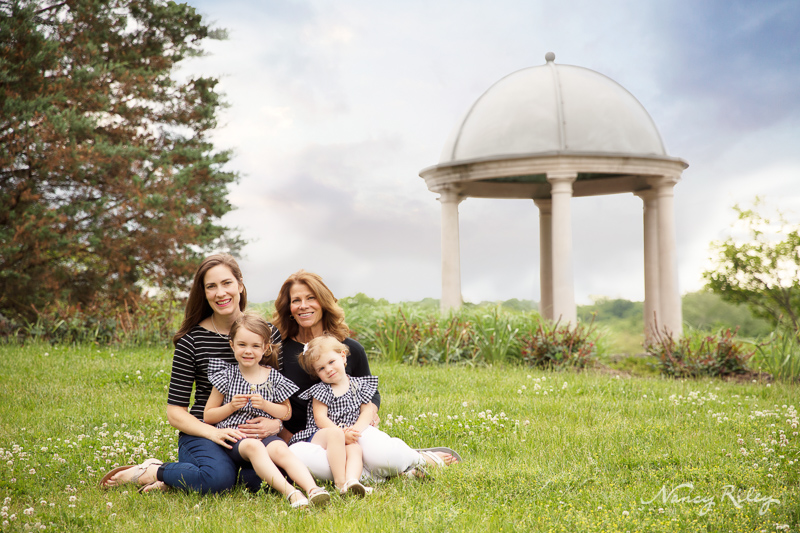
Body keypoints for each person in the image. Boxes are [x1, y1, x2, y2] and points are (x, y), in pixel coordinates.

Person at [100, 254, 281, 493]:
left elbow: (281, 393)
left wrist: (275, 423)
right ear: (204, 293)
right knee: (218, 481)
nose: (220, 293)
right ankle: (155, 470)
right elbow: (175, 412)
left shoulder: (268, 334)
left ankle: (184, 478)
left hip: (252, 436)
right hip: (204, 432)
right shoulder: (192, 340)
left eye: (227, 283)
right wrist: (214, 433)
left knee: (261, 484)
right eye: (211, 287)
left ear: (240, 284)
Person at [272, 269, 460, 482]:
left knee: (382, 457)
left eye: (311, 298)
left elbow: (371, 395)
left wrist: (370, 414)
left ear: (323, 302)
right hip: (314, 439)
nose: (303, 305)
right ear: (289, 308)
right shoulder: (279, 352)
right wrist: (283, 434)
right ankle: (395, 475)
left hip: (355, 429)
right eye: (296, 300)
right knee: (300, 459)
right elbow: (272, 397)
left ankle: (418, 458)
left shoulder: (350, 348)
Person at [203, 312, 330, 508]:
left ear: (266, 348)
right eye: (242, 345)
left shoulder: (274, 377)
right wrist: (230, 407)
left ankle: (313, 489)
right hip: (236, 439)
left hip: (266, 436)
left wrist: (265, 405)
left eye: (255, 346)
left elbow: (286, 413)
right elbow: (208, 416)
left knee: (280, 448)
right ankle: (292, 493)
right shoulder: (226, 376)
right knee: (254, 447)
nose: (248, 351)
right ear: (232, 345)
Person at [293, 336, 444, 493]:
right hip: (328, 435)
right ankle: (346, 482)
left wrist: (355, 431)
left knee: (356, 451)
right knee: (328, 442)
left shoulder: (360, 385)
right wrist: (341, 433)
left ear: (343, 356)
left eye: (331, 362)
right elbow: (320, 418)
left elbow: (367, 411)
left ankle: (354, 481)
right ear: (317, 373)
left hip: (354, 433)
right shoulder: (321, 390)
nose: (328, 369)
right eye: (321, 369)